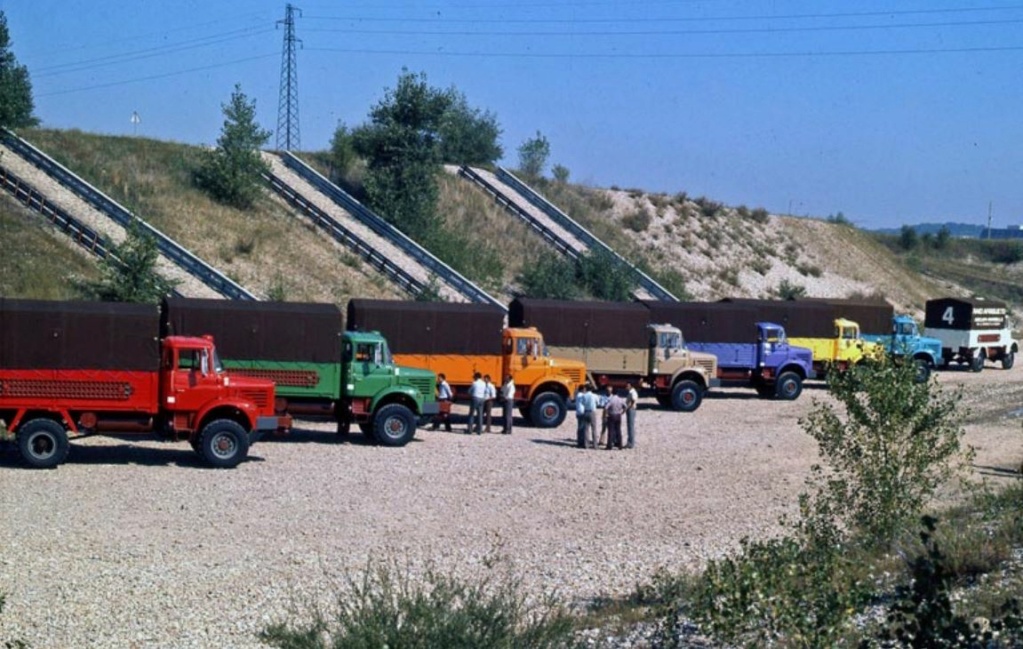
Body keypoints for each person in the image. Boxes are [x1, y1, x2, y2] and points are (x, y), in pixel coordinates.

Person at [625, 382, 639, 448]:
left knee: (631, 426)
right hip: (629, 409)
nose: (626, 387)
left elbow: (633, 400)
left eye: (628, 386)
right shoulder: (630, 392)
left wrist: (628, 407)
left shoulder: (633, 392)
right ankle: (629, 442)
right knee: (629, 426)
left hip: (631, 409)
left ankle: (631, 443)